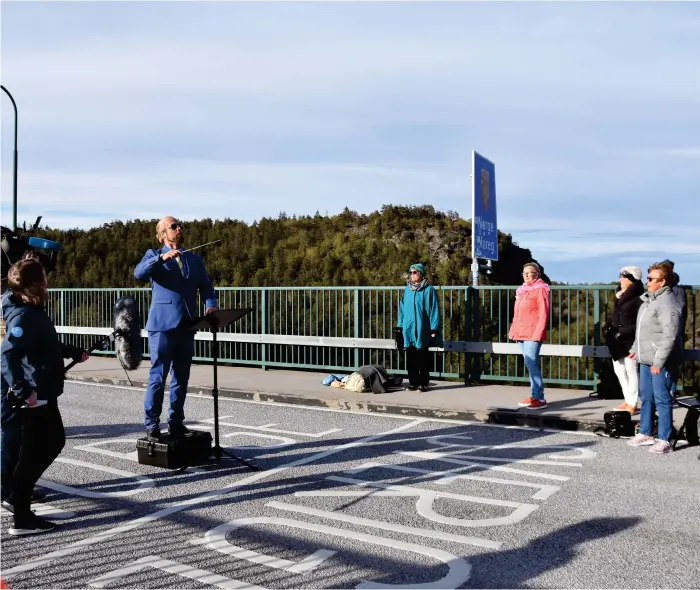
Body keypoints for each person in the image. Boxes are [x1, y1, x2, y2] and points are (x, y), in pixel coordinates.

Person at [1, 255, 89, 535]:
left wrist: (73, 352)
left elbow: (45, 344)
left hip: (42, 390)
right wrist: (22, 390)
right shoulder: (24, 315)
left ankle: (20, 501)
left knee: (49, 444)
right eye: (44, 277)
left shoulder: (31, 310)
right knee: (37, 451)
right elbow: (7, 355)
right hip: (34, 394)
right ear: (37, 284)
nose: (47, 281)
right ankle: (22, 513)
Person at [134, 216, 217, 440]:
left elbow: (207, 289)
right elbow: (139, 274)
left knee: (181, 378)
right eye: (173, 226)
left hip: (187, 326)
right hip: (162, 326)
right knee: (158, 377)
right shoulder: (153, 255)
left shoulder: (194, 259)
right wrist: (162, 258)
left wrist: (210, 306)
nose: (179, 228)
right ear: (162, 234)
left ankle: (176, 423)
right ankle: (151, 425)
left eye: (180, 226)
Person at [627, 262, 683, 454]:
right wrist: (635, 348)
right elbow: (643, 331)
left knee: (662, 398)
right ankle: (645, 433)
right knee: (646, 397)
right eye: (647, 278)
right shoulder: (648, 301)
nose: (647, 281)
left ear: (662, 282)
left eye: (651, 279)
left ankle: (665, 438)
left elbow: (670, 335)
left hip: (660, 360)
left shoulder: (667, 304)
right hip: (646, 357)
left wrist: (659, 362)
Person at [509, 262, 551, 409]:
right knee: (529, 363)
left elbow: (544, 314)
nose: (526, 275)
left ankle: (539, 398)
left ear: (537, 274)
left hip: (533, 333)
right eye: (524, 273)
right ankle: (534, 395)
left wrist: (537, 334)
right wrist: (513, 330)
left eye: (530, 272)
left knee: (532, 362)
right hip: (521, 332)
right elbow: (517, 314)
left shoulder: (541, 289)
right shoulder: (522, 290)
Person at [604, 266, 644, 413]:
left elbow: (640, 321)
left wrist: (628, 334)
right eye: (620, 276)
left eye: (624, 277)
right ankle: (627, 400)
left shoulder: (639, 296)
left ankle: (633, 403)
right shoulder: (619, 294)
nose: (620, 279)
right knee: (619, 370)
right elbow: (615, 316)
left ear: (632, 280)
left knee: (631, 371)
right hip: (616, 338)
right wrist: (607, 328)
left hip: (629, 339)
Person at [397, 263, 442, 392]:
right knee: (410, 356)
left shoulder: (429, 290)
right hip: (408, 328)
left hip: (423, 329)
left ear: (421, 274)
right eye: (411, 273)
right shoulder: (407, 290)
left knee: (423, 357)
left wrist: (434, 328)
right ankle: (413, 382)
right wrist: (400, 326)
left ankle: (423, 383)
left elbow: (434, 310)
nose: (412, 275)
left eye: (415, 272)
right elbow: (402, 309)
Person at [658, 259, 687, 397]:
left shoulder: (677, 290)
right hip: (661, 332)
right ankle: (665, 390)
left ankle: (672, 389)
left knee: (673, 361)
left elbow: (679, 310)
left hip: (674, 330)